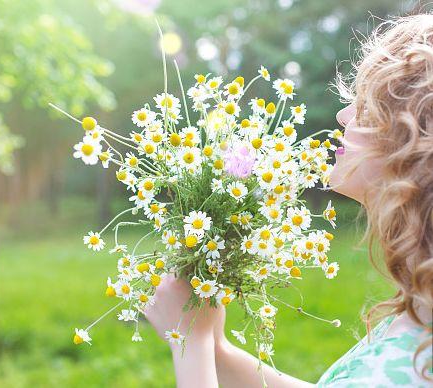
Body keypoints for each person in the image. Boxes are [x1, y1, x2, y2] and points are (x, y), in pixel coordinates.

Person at [145, 13, 433, 387]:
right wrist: (218, 351)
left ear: (417, 146)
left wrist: (191, 344)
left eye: (365, 107)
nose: (344, 115)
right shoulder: (421, 301)